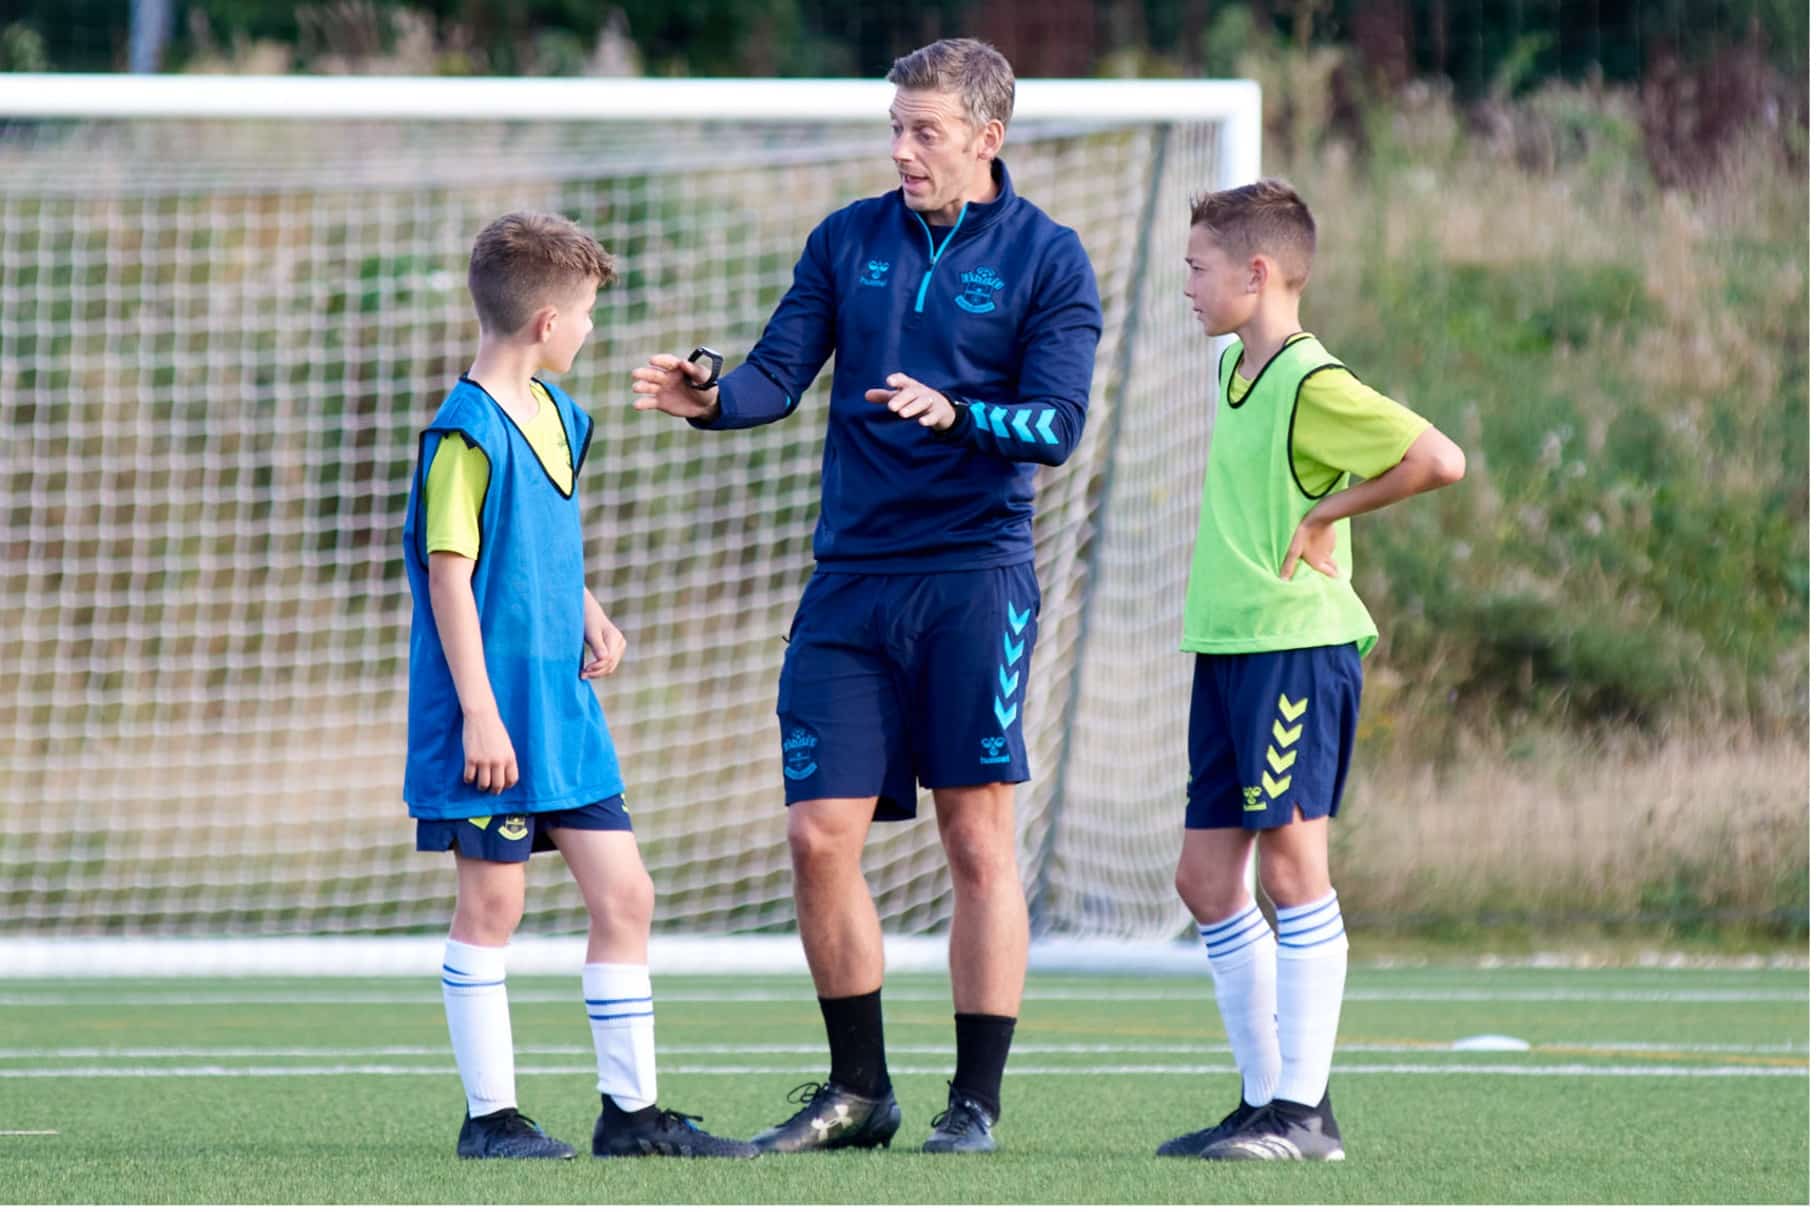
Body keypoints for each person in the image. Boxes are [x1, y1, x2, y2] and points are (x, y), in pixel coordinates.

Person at [632, 38, 1102, 1155]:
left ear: (986, 139)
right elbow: (772, 376)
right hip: (848, 585)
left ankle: (972, 1105)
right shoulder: (847, 239)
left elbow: (1057, 424)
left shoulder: (1050, 258)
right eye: (895, 127)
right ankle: (858, 1093)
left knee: (977, 843)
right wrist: (710, 395)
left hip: (973, 582)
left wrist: (959, 413)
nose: (902, 149)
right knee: (813, 834)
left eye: (924, 130)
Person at [402, 211, 757, 1162]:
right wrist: (478, 710)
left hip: (564, 710)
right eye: (589, 312)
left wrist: (587, 607)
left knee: (626, 893)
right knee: (494, 909)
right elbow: (451, 574)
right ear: (544, 324)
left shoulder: (560, 415)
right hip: (496, 714)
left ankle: (630, 1115)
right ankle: (491, 1121)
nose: (594, 330)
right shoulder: (461, 435)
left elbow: (537, 546)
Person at [1156, 179, 1466, 1162]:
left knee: (1293, 872)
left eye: (1198, 267)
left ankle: (1304, 1114)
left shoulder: (1309, 379)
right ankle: (1262, 1103)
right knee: (1206, 881)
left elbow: (1437, 458)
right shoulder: (1229, 373)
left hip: (1293, 645)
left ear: (1256, 272)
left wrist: (1328, 513)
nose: (1186, 284)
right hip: (1227, 645)